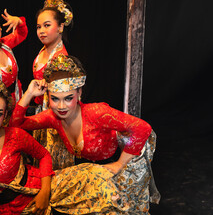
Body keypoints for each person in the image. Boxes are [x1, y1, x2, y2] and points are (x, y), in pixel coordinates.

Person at [0, 75, 130, 215]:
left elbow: (44, 155)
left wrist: (45, 192)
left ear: (5, 114)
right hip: (4, 209)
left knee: (100, 191)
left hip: (39, 190)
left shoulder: (15, 136)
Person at [10, 55, 161, 214]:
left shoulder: (96, 113)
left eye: (68, 98)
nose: (61, 106)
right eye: (55, 99)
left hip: (120, 165)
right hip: (92, 171)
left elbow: (143, 128)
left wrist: (119, 164)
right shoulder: (52, 118)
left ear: (79, 93)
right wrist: (28, 94)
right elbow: (15, 126)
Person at [31, 0, 75, 170]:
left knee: (53, 156)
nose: (41, 30)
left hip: (55, 113)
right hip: (41, 109)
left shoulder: (60, 57)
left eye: (47, 25)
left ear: (61, 27)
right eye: (39, 27)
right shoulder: (44, 49)